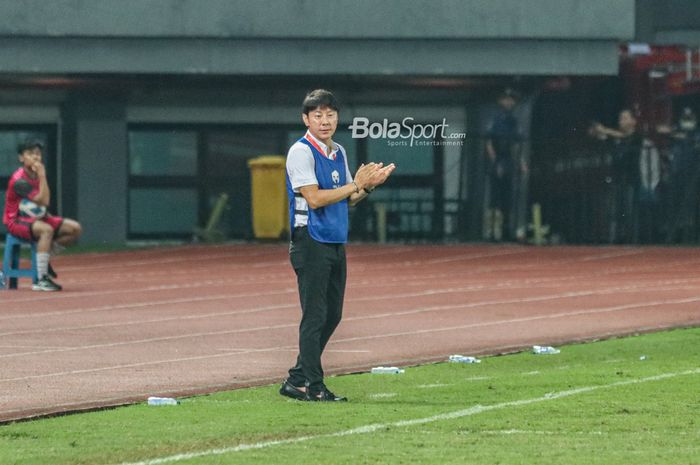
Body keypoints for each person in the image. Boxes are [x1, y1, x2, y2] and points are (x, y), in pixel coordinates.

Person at [280, 89, 395, 402]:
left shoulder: (338, 152)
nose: (325, 120)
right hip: (310, 240)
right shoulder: (301, 152)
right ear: (306, 119)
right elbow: (315, 198)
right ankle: (314, 387)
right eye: (317, 115)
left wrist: (367, 187)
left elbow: (350, 197)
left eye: (330, 114)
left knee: (333, 315)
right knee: (315, 315)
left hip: (333, 240)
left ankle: (297, 378)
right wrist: (355, 185)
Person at [3, 139, 82, 291]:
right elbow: (44, 200)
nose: (36, 157)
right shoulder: (19, 180)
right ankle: (41, 280)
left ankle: (44, 258)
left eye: (38, 154)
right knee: (46, 230)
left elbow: (44, 203)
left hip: (38, 217)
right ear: (21, 158)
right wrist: (43, 175)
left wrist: (40, 177)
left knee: (75, 229)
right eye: (30, 154)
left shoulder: (36, 175)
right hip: (16, 220)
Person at [590, 109, 644, 243]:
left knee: (630, 212)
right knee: (614, 212)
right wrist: (597, 131)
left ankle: (633, 241)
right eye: (621, 118)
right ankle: (614, 240)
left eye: (625, 118)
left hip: (631, 179)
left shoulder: (637, 136)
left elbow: (623, 137)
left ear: (633, 121)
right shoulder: (615, 138)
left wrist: (606, 130)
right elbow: (600, 137)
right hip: (617, 179)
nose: (622, 121)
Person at [484, 88, 525, 242]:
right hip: (498, 158)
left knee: (508, 198)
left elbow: (515, 145)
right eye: (506, 99)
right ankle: (492, 231)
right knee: (494, 198)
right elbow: (489, 143)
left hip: (509, 160)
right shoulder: (495, 118)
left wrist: (521, 162)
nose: (509, 102)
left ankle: (506, 229)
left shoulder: (514, 120)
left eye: (511, 99)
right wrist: (495, 163)